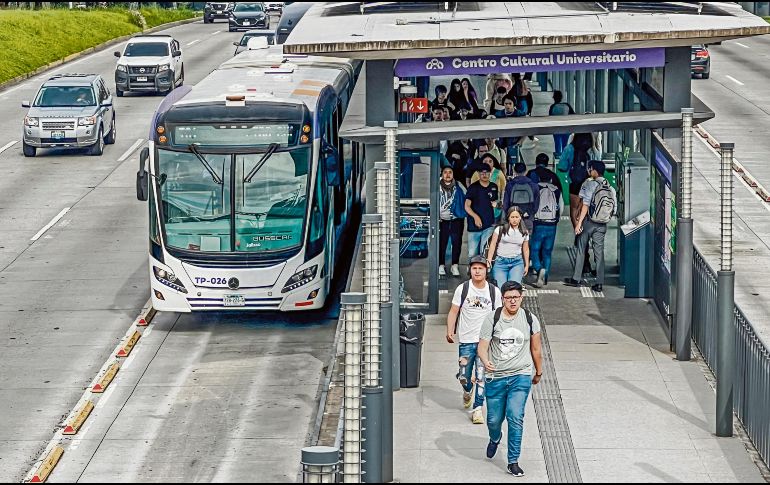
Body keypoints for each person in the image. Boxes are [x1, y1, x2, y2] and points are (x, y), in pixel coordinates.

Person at [478, 280, 543, 477]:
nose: (513, 301)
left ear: (522, 298)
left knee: (515, 417)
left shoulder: (530, 319)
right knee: (493, 420)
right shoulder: (493, 318)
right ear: (502, 299)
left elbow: (536, 348)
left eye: (516, 297)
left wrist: (538, 371)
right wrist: (485, 360)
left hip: (520, 376)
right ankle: (495, 438)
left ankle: (513, 461)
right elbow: (482, 346)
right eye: (509, 298)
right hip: (496, 377)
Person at [446, 255, 503, 424]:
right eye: (474, 268)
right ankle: (467, 389)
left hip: (485, 342)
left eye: (481, 268)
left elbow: (499, 316)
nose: (477, 271)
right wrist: (450, 330)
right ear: (470, 270)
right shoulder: (463, 289)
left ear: (486, 270)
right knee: (464, 375)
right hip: (466, 340)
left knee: (481, 375)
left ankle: (477, 409)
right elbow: (454, 311)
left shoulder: (494, 291)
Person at [564, 160, 616, 292]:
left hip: (588, 222)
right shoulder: (610, 187)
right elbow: (614, 209)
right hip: (602, 224)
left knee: (581, 248)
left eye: (590, 169)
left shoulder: (589, 183)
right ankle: (599, 283)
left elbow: (585, 204)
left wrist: (578, 223)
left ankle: (576, 278)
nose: (588, 171)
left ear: (594, 171)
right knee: (599, 253)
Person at [528, 154, 563, 287]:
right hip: (552, 224)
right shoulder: (555, 189)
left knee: (534, 250)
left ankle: (538, 269)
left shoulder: (535, 187)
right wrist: (557, 218)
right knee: (547, 251)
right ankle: (545, 277)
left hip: (538, 223)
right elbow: (561, 205)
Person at [557, 132, 599, 232]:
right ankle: (585, 235)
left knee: (574, 209)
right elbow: (598, 163)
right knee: (587, 207)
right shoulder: (593, 150)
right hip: (590, 183)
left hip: (575, 183)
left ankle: (579, 233)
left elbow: (561, 166)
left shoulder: (569, 148)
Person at [486, 207, 530, 286]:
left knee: (513, 287)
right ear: (508, 217)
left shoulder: (524, 232)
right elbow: (492, 245)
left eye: (516, 217)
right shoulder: (500, 229)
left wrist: (526, 265)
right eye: (512, 217)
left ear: (520, 217)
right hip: (500, 262)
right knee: (501, 287)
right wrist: (488, 261)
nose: (514, 219)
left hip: (517, 262)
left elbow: (526, 249)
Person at [464, 165, 499, 259]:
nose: (484, 174)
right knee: (472, 253)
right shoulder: (473, 188)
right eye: (482, 172)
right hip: (474, 225)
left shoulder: (493, 187)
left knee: (485, 251)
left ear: (490, 174)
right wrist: (475, 217)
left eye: (486, 172)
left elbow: (495, 203)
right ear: (478, 174)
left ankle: (484, 271)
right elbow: (466, 206)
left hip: (488, 224)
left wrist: (498, 205)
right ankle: (472, 271)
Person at [439, 165, 466, 277]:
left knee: (456, 242)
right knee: (442, 243)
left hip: (456, 219)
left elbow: (466, 198)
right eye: (445, 172)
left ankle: (455, 265)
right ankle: (441, 265)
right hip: (442, 220)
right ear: (442, 174)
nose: (448, 174)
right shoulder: (437, 186)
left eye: (450, 172)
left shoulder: (459, 185)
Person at [503, 162, 540, 233]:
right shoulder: (534, 186)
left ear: (514, 170)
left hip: (513, 219)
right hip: (528, 218)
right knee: (527, 240)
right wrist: (530, 213)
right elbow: (536, 205)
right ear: (525, 171)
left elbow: (505, 205)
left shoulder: (510, 185)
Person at [470, 153, 506, 222]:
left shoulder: (498, 173)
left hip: (495, 209)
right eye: (485, 161)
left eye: (490, 161)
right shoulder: (476, 174)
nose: (488, 163)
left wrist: (501, 202)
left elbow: (503, 189)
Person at [548, 91, 575, 159]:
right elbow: (574, 115)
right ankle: (564, 157)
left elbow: (550, 117)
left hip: (556, 129)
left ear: (554, 98)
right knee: (565, 144)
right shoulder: (567, 105)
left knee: (557, 143)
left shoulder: (553, 106)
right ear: (561, 97)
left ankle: (558, 157)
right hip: (566, 129)